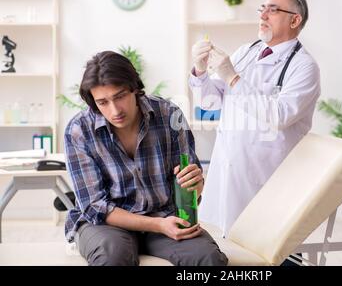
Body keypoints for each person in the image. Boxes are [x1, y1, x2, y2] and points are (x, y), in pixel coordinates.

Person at [64, 51, 228, 266]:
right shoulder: (79, 130)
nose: (114, 111)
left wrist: (196, 184)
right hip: (106, 223)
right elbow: (95, 206)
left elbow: (191, 190)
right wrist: (158, 225)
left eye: (120, 96)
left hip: (165, 214)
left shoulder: (169, 115)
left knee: (209, 259)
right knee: (112, 257)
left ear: (134, 88)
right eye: (103, 102)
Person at [189, 0, 321, 237]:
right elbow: (210, 103)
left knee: (272, 253)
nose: (263, 15)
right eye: (263, 8)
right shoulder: (247, 51)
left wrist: (234, 78)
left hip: (267, 179)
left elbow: (279, 115)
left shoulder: (304, 67)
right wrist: (200, 71)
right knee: (226, 250)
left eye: (273, 10)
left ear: (295, 20)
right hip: (228, 172)